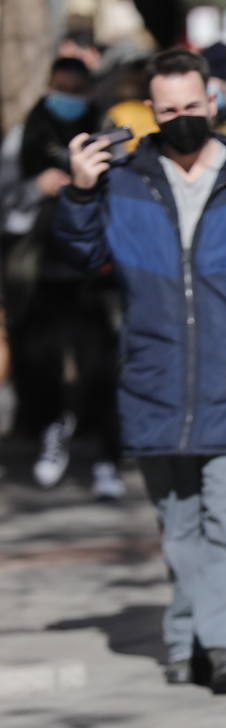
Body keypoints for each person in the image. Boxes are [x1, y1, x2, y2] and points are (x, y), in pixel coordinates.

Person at [53, 48, 226, 693]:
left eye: (191, 106)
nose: (180, 118)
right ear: (151, 110)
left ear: (213, 101)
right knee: (177, 519)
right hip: (153, 376)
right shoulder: (126, 178)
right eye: (166, 109)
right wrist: (81, 191)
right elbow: (82, 256)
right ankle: (186, 638)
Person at [1, 56, 124, 498]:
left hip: (95, 273)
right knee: (41, 363)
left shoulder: (106, 132)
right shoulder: (25, 135)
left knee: (100, 366)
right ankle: (52, 433)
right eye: (61, 86)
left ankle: (106, 457)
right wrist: (38, 188)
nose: (68, 97)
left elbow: (125, 193)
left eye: (76, 88)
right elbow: (5, 197)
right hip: (41, 272)